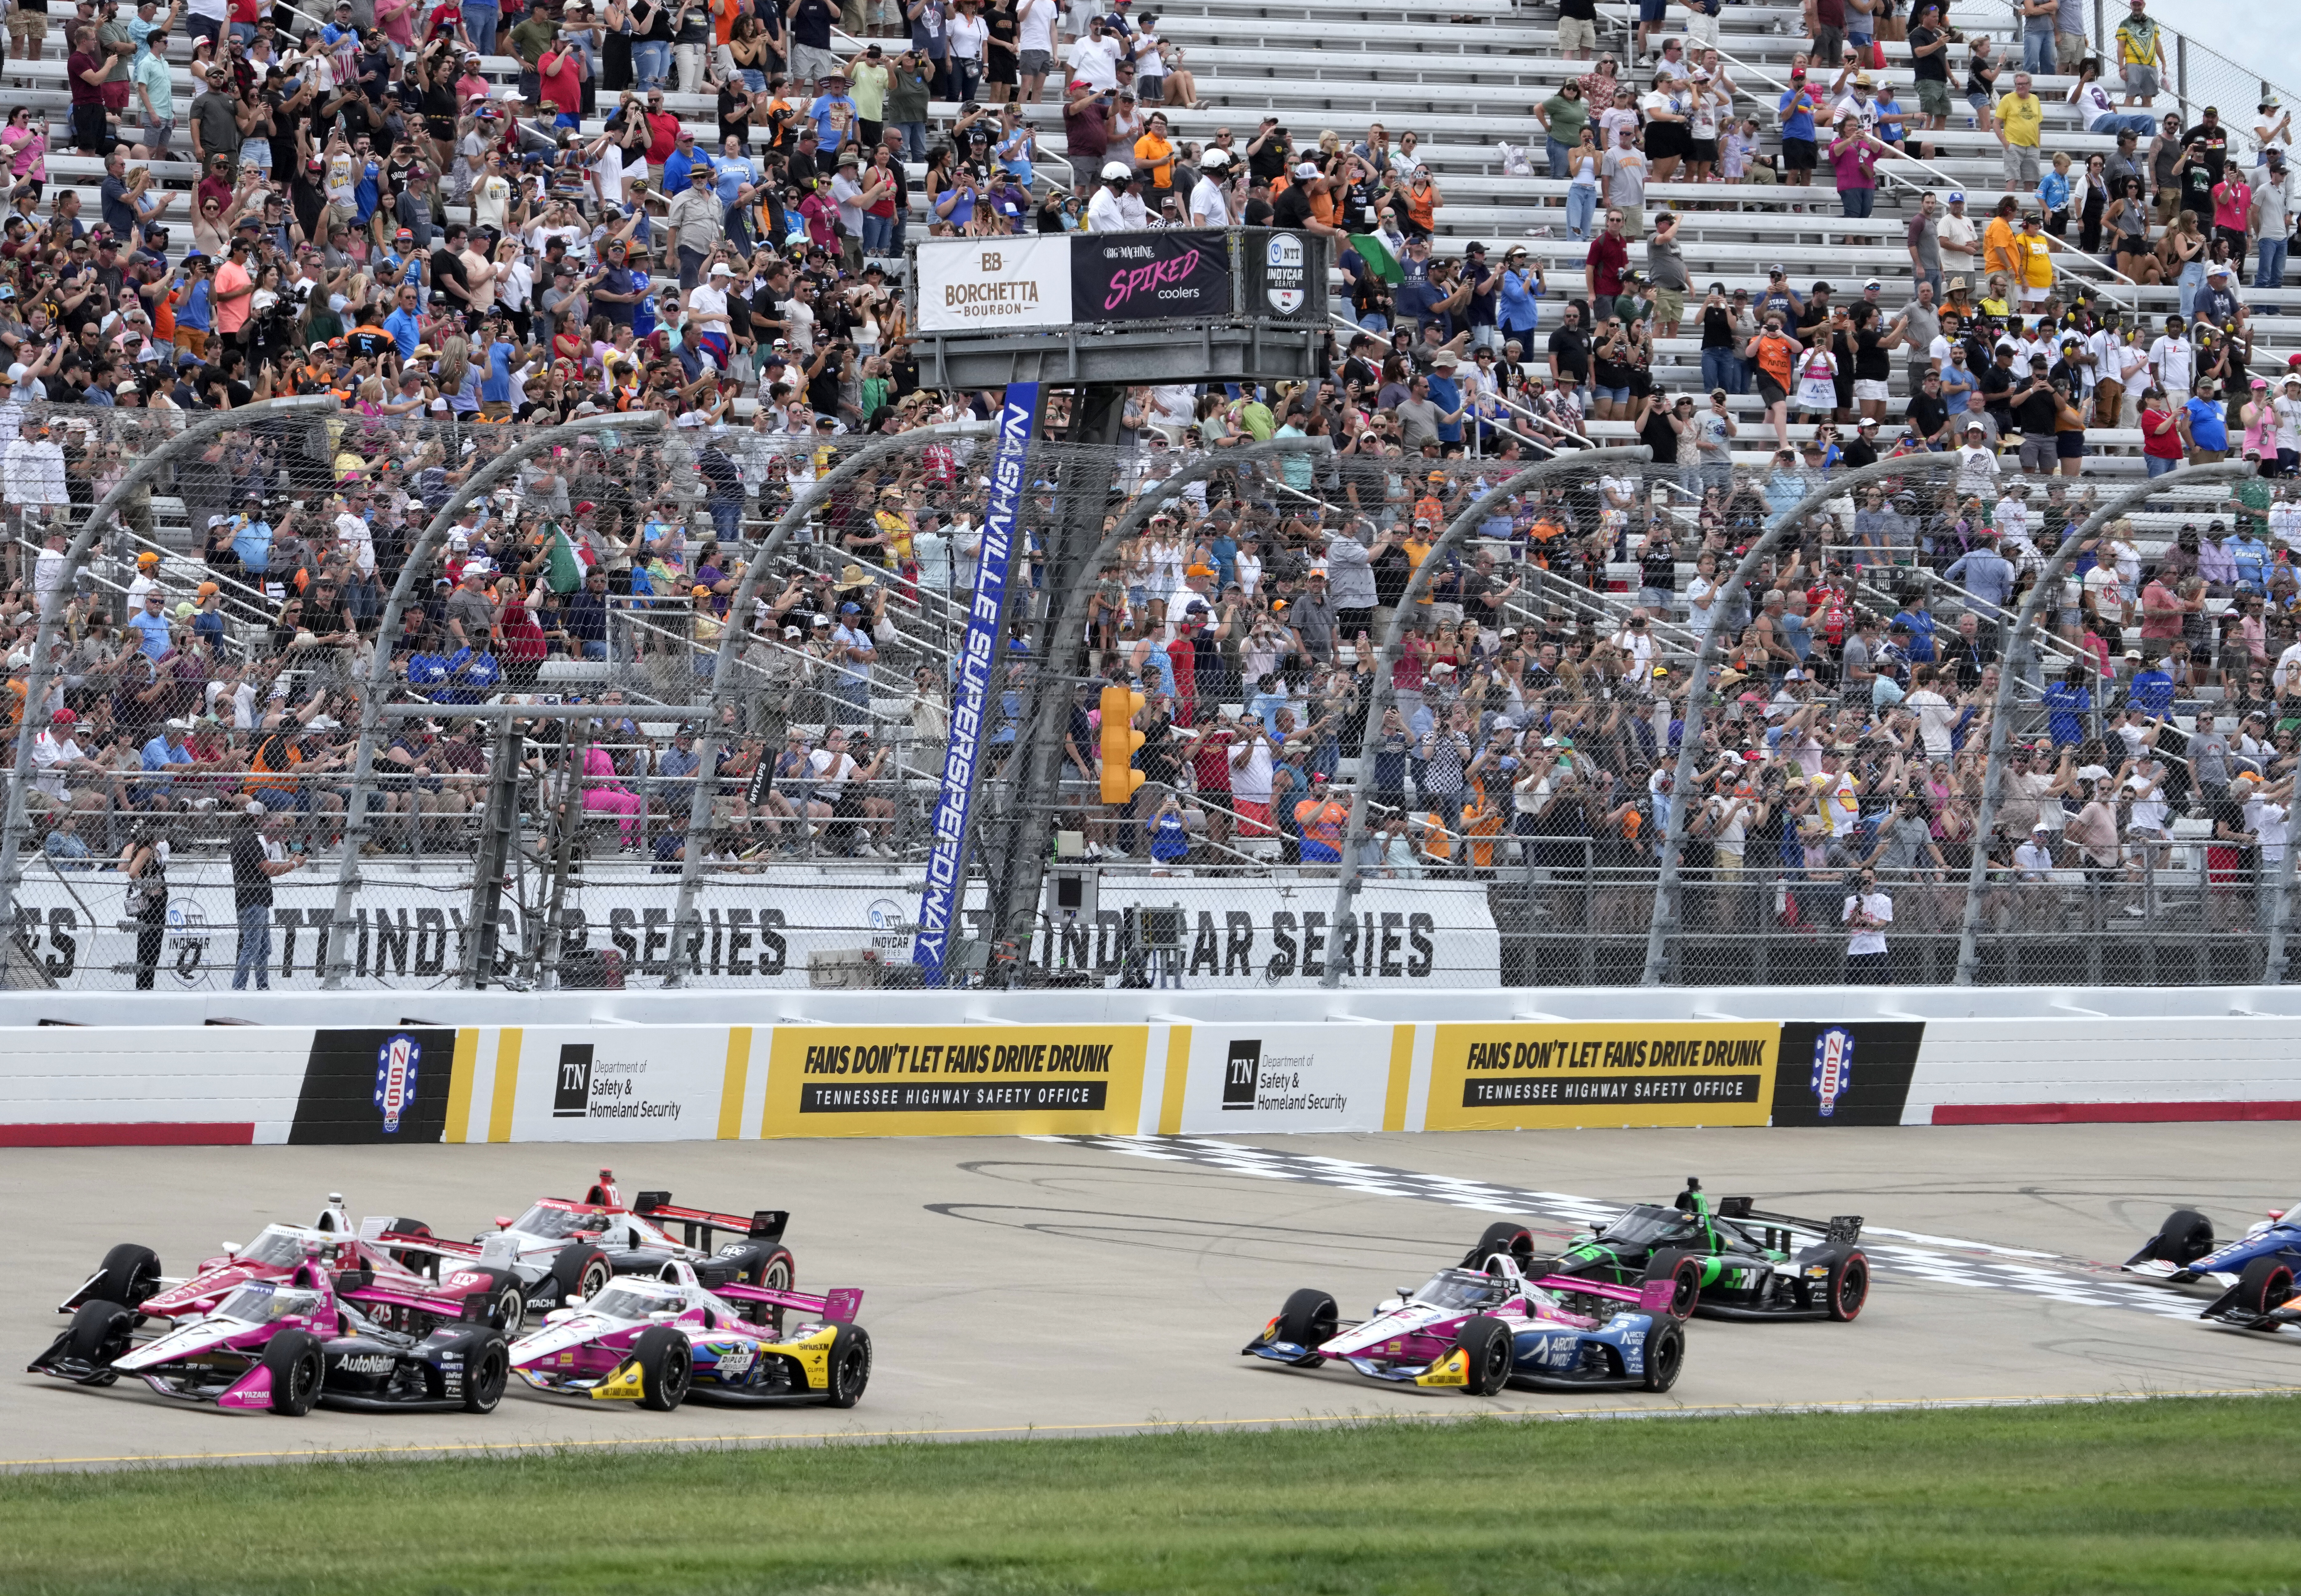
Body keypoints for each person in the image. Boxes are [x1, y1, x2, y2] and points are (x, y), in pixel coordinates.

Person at [230, 799, 295, 991]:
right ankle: (239, 988)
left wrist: (290, 864)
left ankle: (263, 987)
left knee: (263, 949)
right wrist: (294, 865)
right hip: (253, 900)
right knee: (252, 947)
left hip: (258, 900)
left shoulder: (246, 840)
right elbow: (268, 869)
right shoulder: (248, 841)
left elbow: (268, 868)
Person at [1842, 865, 1893, 982]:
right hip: (1857, 946)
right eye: (1864, 878)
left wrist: (1868, 923)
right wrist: (1855, 911)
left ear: (1876, 880)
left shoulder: (1884, 899)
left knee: (1887, 982)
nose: (1867, 881)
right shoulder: (1851, 900)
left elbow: (1882, 925)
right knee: (1852, 983)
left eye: (1870, 878)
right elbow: (1849, 925)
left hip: (1877, 945)